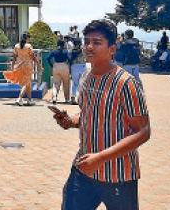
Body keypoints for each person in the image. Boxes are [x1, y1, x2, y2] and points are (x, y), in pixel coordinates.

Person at [53, 19, 150, 210]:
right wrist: (70, 121)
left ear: (112, 49)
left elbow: (143, 131)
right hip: (84, 168)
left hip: (118, 175)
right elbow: (89, 113)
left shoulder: (126, 83)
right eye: (87, 41)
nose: (89, 47)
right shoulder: (86, 77)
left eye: (97, 42)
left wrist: (100, 158)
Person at [3, 33, 41, 106]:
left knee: (28, 83)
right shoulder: (29, 46)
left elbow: (14, 57)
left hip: (19, 66)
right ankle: (19, 98)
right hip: (27, 66)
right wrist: (38, 64)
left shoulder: (16, 46)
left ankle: (29, 100)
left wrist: (12, 65)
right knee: (26, 83)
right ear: (27, 38)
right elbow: (33, 56)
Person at [47, 39, 72, 104]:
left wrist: (51, 65)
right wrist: (69, 64)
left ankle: (54, 97)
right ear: (63, 44)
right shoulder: (65, 51)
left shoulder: (54, 51)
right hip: (64, 66)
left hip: (56, 66)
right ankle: (67, 99)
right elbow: (70, 59)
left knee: (56, 84)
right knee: (66, 84)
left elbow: (48, 58)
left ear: (57, 44)